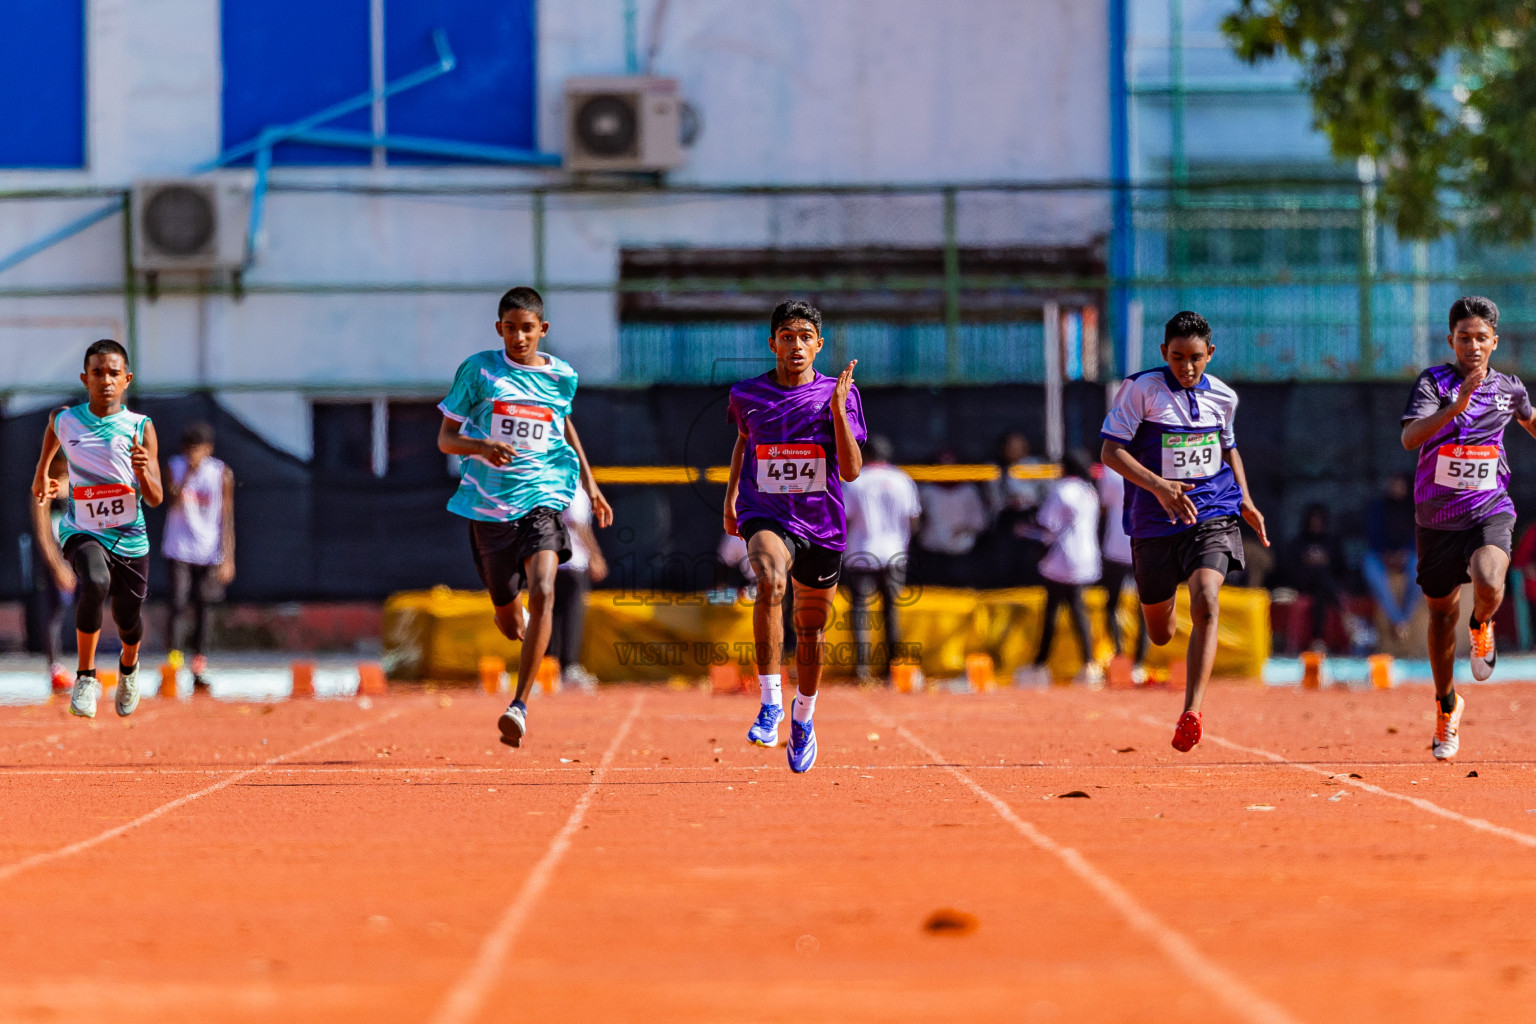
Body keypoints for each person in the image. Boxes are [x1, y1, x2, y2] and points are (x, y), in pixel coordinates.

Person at [437, 286, 613, 747]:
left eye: (528, 329)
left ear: (543, 330)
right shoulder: (479, 372)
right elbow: (446, 439)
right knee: (511, 621)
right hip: (491, 511)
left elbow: (564, 423)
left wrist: (590, 486)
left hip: (543, 501)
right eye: (511, 328)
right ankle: (510, 613)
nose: (519, 337)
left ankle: (519, 705)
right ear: (500, 329)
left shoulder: (561, 376)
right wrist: (482, 446)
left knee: (546, 588)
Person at [1100, 311, 1269, 752]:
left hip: (1211, 512)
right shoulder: (1142, 390)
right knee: (1160, 632)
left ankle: (1191, 711)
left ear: (1210, 354)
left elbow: (1228, 448)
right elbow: (1110, 451)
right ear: (1163, 353)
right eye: (1177, 357)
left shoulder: (1224, 397)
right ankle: (1164, 603)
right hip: (1153, 523)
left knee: (1208, 599)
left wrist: (1246, 500)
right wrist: (1158, 486)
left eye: (1196, 358)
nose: (1187, 367)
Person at [725, 299, 865, 774]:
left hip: (822, 523)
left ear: (818, 344)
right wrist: (730, 501)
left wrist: (837, 412)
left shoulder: (840, 393)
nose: (796, 344)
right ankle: (770, 703)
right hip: (766, 513)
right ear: (773, 344)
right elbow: (744, 441)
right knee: (769, 579)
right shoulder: (746, 394)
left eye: (805, 336)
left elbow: (850, 470)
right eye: (787, 336)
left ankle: (803, 717)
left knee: (810, 630)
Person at [1399, 296, 1536, 759]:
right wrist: (1457, 406)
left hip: (1489, 509)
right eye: (1464, 338)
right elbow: (1410, 437)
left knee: (1490, 579)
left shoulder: (1509, 389)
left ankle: (1482, 624)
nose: (1473, 346)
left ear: (1494, 342)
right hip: (1436, 520)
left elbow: (1530, 419)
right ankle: (1447, 706)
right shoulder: (1433, 383)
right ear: (1450, 340)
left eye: (1482, 338)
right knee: (1440, 617)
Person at [30, 339, 163, 719]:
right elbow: (52, 431)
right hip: (82, 530)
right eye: (98, 373)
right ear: (84, 378)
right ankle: (86, 677)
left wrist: (142, 471)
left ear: (127, 380)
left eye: (114, 373)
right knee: (95, 581)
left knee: (128, 619)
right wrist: (43, 472)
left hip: (130, 537)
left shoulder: (140, 427)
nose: (105, 380)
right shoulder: (66, 418)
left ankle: (128, 668)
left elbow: (153, 497)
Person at [163, 421, 235, 688]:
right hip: (178, 548)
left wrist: (229, 557)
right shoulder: (175, 466)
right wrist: (188, 475)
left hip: (209, 550)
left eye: (200, 449)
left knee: (205, 606)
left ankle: (199, 664)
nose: (195, 454)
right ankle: (173, 661)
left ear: (209, 449)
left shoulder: (221, 473)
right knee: (178, 602)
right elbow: (171, 501)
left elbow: (227, 518)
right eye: (191, 449)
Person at [842, 435, 920, 681]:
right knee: (891, 612)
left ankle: (862, 668)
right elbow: (914, 518)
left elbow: (844, 517)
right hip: (894, 552)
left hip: (862, 552)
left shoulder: (856, 481)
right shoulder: (902, 479)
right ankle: (892, 668)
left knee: (861, 612)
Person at [1031, 450, 1102, 680]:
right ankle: (1089, 664)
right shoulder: (1089, 491)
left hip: (1063, 558)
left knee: (1053, 610)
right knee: (1076, 607)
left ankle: (1040, 665)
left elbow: (1047, 525)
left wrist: (1026, 532)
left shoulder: (1062, 490)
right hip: (1087, 556)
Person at [26, 450, 75, 692]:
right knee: (54, 609)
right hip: (55, 557)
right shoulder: (42, 486)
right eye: (62, 462)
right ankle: (55, 668)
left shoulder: (80, 482)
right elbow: (43, 533)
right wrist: (57, 567)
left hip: (78, 552)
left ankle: (87, 667)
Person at [552, 486, 608, 689]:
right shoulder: (573, 486)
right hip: (572, 561)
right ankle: (569, 667)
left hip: (551, 560)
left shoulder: (550, 481)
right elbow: (578, 523)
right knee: (571, 616)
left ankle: (551, 668)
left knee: (553, 615)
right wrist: (595, 554)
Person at [1097, 457, 1148, 676]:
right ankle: (1138, 663)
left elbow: (1103, 505)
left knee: (1112, 605)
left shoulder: (1111, 470)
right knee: (1146, 608)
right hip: (1144, 545)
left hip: (1116, 546)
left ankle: (1120, 657)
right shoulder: (1154, 462)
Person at [913, 451, 990, 587]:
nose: (947, 470)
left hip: (961, 552)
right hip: (932, 551)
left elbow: (980, 522)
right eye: (943, 466)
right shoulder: (926, 491)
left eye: (951, 466)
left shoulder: (969, 490)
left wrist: (965, 528)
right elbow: (916, 519)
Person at [1283, 503, 1348, 654]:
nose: (1316, 523)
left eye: (1319, 520)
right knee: (1320, 576)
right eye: (1313, 520)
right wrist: (1308, 563)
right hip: (1303, 584)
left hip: (1324, 589)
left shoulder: (1332, 542)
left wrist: (1325, 562)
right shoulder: (1297, 543)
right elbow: (1289, 570)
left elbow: (1342, 569)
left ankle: (1317, 640)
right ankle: (1346, 616)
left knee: (1322, 588)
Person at [1362, 473, 1420, 642]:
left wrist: (1405, 552)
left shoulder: (1414, 508)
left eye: (1400, 485)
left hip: (1407, 555)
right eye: (1393, 484)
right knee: (1370, 567)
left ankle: (1404, 618)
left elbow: (1420, 534)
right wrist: (1385, 553)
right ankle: (1398, 620)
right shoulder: (1377, 507)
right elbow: (1371, 534)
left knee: (1419, 569)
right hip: (1381, 555)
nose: (1396, 489)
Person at [985, 431, 1046, 585]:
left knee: (1031, 560)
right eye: (1010, 447)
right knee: (1005, 561)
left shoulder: (1035, 466)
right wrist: (1008, 502)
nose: (1013, 451)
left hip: (1032, 519)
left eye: (1018, 447)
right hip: (1006, 520)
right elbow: (993, 500)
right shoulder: (995, 468)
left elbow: (1047, 494)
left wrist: (1029, 501)